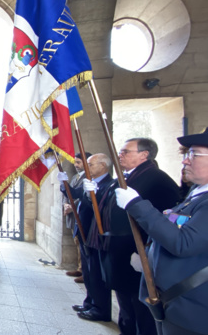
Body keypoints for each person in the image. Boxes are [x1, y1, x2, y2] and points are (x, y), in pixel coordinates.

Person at [115, 128, 208, 335]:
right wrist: (148, 256)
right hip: (173, 302)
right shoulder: (196, 194)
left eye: (193, 154)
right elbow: (175, 223)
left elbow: (184, 242)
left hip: (191, 309)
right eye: (186, 154)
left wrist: (136, 205)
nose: (185, 161)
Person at [101, 138, 180, 335]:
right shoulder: (129, 175)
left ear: (144, 154)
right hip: (122, 248)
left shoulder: (158, 179)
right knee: (125, 302)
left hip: (138, 252)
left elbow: (164, 219)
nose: (120, 155)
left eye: (125, 151)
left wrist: (144, 249)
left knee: (140, 308)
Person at [70, 154, 113, 323]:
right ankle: (89, 302)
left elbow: (101, 208)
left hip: (95, 234)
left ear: (103, 165)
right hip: (84, 231)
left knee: (96, 273)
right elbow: (75, 193)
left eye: (91, 164)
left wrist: (91, 195)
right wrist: (64, 182)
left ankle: (100, 308)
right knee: (89, 272)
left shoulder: (108, 184)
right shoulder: (91, 180)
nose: (87, 168)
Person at [58, 152, 91, 282]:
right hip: (72, 216)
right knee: (77, 242)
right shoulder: (75, 177)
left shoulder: (88, 178)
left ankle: (85, 271)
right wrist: (65, 204)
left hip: (82, 215)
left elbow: (83, 196)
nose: (76, 165)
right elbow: (69, 193)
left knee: (83, 243)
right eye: (75, 162)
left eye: (78, 162)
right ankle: (80, 267)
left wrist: (72, 206)